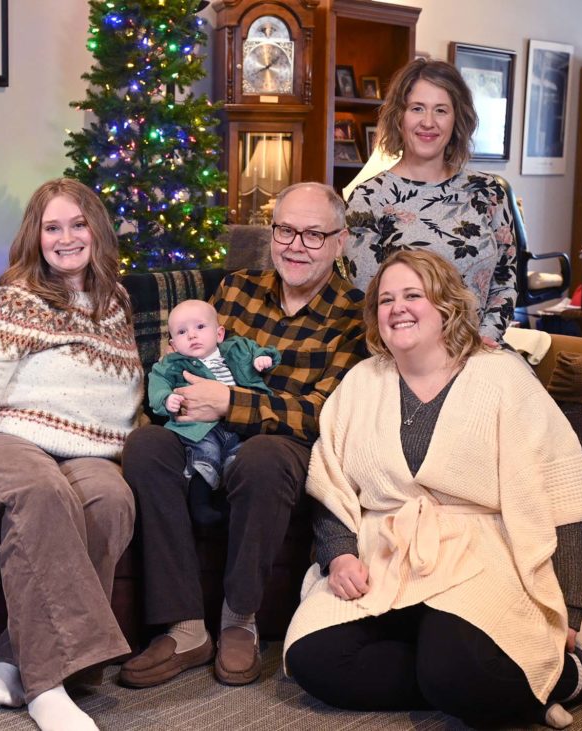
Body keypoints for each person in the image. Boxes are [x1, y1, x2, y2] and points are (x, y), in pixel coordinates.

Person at [284, 249, 582, 728]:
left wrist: (571, 607)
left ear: (446, 305)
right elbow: (329, 484)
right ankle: (505, 674)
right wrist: (339, 555)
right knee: (312, 659)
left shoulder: (503, 377)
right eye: (386, 300)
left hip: (482, 557)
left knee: (454, 674)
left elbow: (560, 495)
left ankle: (570, 674)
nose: (397, 309)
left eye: (413, 295)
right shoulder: (361, 383)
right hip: (385, 557)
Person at [119, 181, 368, 689]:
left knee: (263, 455)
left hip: (284, 449)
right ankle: (185, 626)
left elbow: (325, 413)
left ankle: (239, 620)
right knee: (147, 445)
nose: (295, 246)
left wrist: (232, 403)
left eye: (313, 235)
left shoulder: (354, 314)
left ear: (340, 241)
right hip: (205, 429)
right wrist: (183, 397)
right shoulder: (236, 289)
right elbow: (194, 359)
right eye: (285, 230)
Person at [0, 177, 143, 731]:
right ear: (34, 237)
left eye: (77, 224)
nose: (66, 238)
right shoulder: (13, 300)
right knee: (39, 493)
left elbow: (124, 389)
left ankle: (16, 660)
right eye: (52, 228)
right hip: (12, 437)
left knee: (111, 500)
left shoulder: (116, 300)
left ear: (97, 229)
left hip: (92, 450)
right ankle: (48, 687)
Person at [345, 58, 517, 344]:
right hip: (406, 353)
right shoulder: (368, 198)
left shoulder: (488, 191)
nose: (428, 122)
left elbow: (505, 282)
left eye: (441, 110)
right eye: (417, 108)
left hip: (481, 349)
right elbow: (371, 301)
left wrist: (483, 341)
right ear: (399, 117)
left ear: (457, 119)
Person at [149, 298, 280, 527]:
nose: (192, 335)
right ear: (173, 345)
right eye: (182, 332)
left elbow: (259, 351)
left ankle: (231, 506)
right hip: (200, 428)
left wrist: (263, 357)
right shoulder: (172, 365)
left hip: (239, 424)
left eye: (200, 327)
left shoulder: (237, 349)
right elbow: (157, 385)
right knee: (206, 455)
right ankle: (199, 506)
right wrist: (166, 398)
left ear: (219, 334)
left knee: (241, 458)